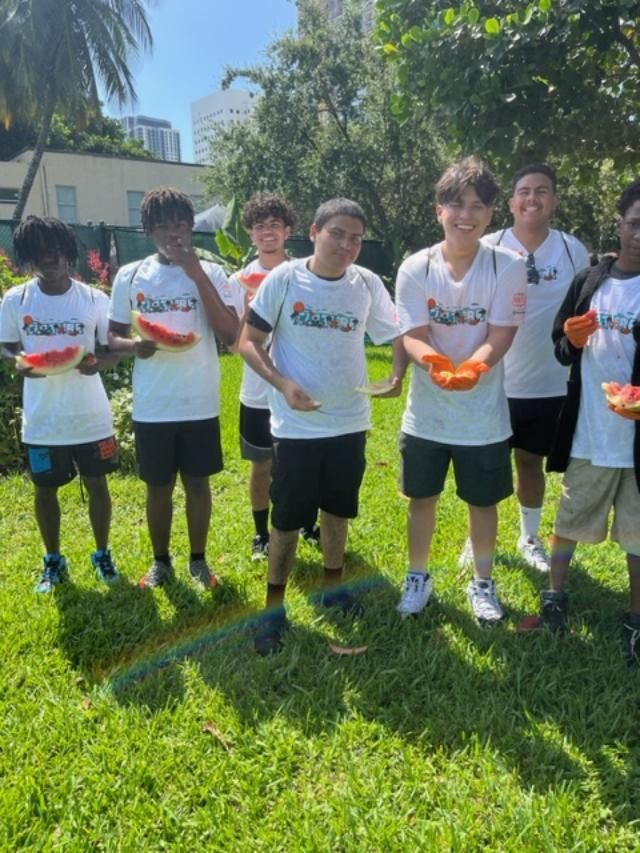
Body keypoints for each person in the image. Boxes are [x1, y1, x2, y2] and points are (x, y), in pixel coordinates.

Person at [238, 197, 402, 654]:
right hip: (296, 427)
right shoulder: (285, 279)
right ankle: (274, 608)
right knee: (287, 521)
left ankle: (333, 585)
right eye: (338, 234)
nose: (348, 245)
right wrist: (282, 382)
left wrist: (396, 375)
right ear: (313, 232)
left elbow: (395, 333)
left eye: (356, 239)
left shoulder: (366, 283)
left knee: (338, 510)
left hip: (350, 423)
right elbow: (247, 342)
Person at [394, 156, 527, 624]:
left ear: (492, 215)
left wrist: (473, 366)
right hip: (426, 414)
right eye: (455, 204)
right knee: (421, 499)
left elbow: (501, 332)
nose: (465, 215)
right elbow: (412, 332)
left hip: (484, 414)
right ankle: (417, 577)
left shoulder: (509, 266)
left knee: (483, 502)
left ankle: (483, 583)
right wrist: (432, 361)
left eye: (476, 206)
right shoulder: (414, 266)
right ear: (438, 211)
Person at [108, 187, 240, 589]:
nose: (173, 233)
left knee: (198, 484)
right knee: (158, 486)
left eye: (181, 223)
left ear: (190, 227)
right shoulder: (130, 275)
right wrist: (134, 345)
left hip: (199, 400)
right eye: (163, 225)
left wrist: (196, 273)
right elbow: (113, 336)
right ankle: (160, 562)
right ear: (149, 230)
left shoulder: (214, 273)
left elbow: (231, 332)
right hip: (154, 404)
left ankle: (198, 560)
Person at [535, 179, 640, 663]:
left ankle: (635, 618)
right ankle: (555, 596)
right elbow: (561, 347)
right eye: (634, 223)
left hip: (636, 441)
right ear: (619, 224)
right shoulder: (589, 281)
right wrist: (572, 341)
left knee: (639, 534)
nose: (639, 235)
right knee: (570, 518)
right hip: (591, 430)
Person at [478, 163, 590, 572]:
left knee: (530, 462)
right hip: (491, 380)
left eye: (541, 191)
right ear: (510, 202)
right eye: (523, 190)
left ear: (554, 201)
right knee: (485, 466)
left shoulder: (571, 249)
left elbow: (582, 311)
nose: (532, 198)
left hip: (548, 383)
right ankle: (479, 542)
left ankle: (529, 536)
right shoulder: (488, 245)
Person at [0, 216, 120, 593]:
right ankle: (53, 560)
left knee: (98, 484)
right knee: (44, 490)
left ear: (68, 253)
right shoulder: (15, 299)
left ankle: (102, 553)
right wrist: (18, 362)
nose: (49, 258)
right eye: (39, 252)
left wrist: (99, 363)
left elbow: (113, 348)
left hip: (92, 417)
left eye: (55, 250)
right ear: (29, 258)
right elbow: (5, 346)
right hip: (43, 420)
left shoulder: (94, 299)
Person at [231, 193, 319, 559]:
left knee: (301, 461)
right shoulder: (238, 280)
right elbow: (236, 342)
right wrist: (249, 313)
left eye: (274, 225)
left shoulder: (306, 273)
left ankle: (306, 522)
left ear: (288, 231)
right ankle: (260, 534)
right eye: (259, 226)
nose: (267, 232)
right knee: (261, 465)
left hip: (297, 385)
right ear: (250, 233)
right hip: (256, 391)